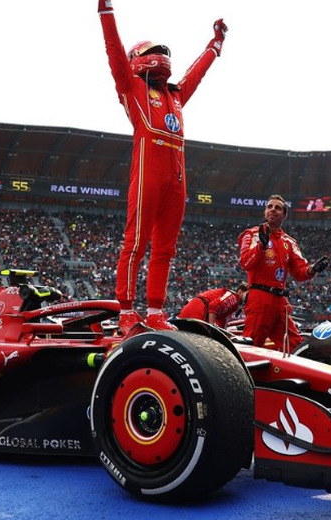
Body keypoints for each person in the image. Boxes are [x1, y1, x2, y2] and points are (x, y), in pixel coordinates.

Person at [98, 0, 228, 333]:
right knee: (136, 241)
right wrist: (106, 11)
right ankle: (126, 311)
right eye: (154, 51)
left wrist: (215, 45)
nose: (162, 55)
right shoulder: (131, 87)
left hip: (177, 181)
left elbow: (195, 74)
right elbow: (113, 50)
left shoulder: (176, 95)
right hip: (147, 177)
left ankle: (155, 311)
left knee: (165, 249)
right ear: (138, 59)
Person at [238, 195, 330, 351]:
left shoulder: (290, 242)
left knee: (295, 346)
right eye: (269, 206)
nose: (272, 209)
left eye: (278, 208)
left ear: (284, 216)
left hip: (281, 302)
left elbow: (300, 272)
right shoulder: (251, 234)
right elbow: (245, 263)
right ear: (265, 212)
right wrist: (261, 246)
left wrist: (312, 269)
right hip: (260, 299)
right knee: (252, 346)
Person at [177, 282, 249, 328]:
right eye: (248, 294)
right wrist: (212, 327)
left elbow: (221, 321)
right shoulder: (234, 297)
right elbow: (214, 305)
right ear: (240, 292)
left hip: (196, 307)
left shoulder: (233, 303)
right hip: (199, 310)